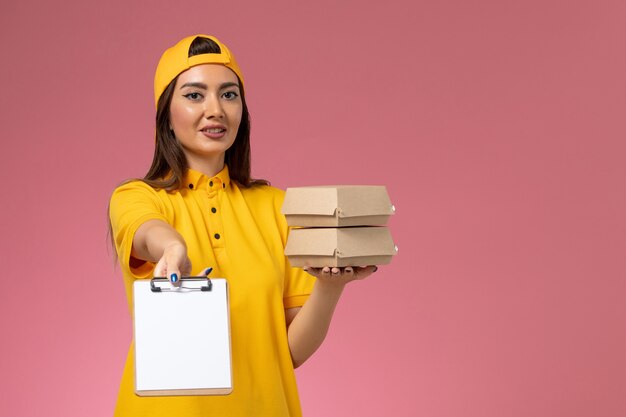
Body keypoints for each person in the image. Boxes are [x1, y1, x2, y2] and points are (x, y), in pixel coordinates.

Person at [108, 34, 377, 417]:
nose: (215, 109)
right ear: (165, 113)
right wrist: (172, 248)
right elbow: (145, 231)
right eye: (194, 95)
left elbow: (289, 353)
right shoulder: (137, 197)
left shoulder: (279, 208)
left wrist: (330, 287)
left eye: (229, 94)